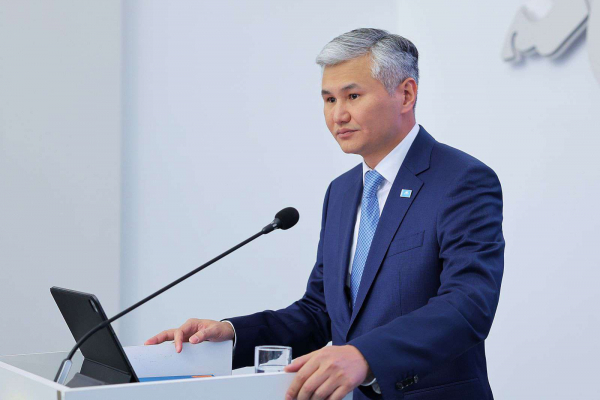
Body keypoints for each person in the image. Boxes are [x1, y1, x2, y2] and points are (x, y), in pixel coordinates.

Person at [145, 28, 504, 400]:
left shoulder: (461, 180)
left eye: (352, 96)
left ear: (406, 94)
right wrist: (231, 335)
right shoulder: (342, 192)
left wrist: (365, 356)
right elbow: (321, 312)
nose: (338, 114)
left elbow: (468, 306)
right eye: (329, 99)